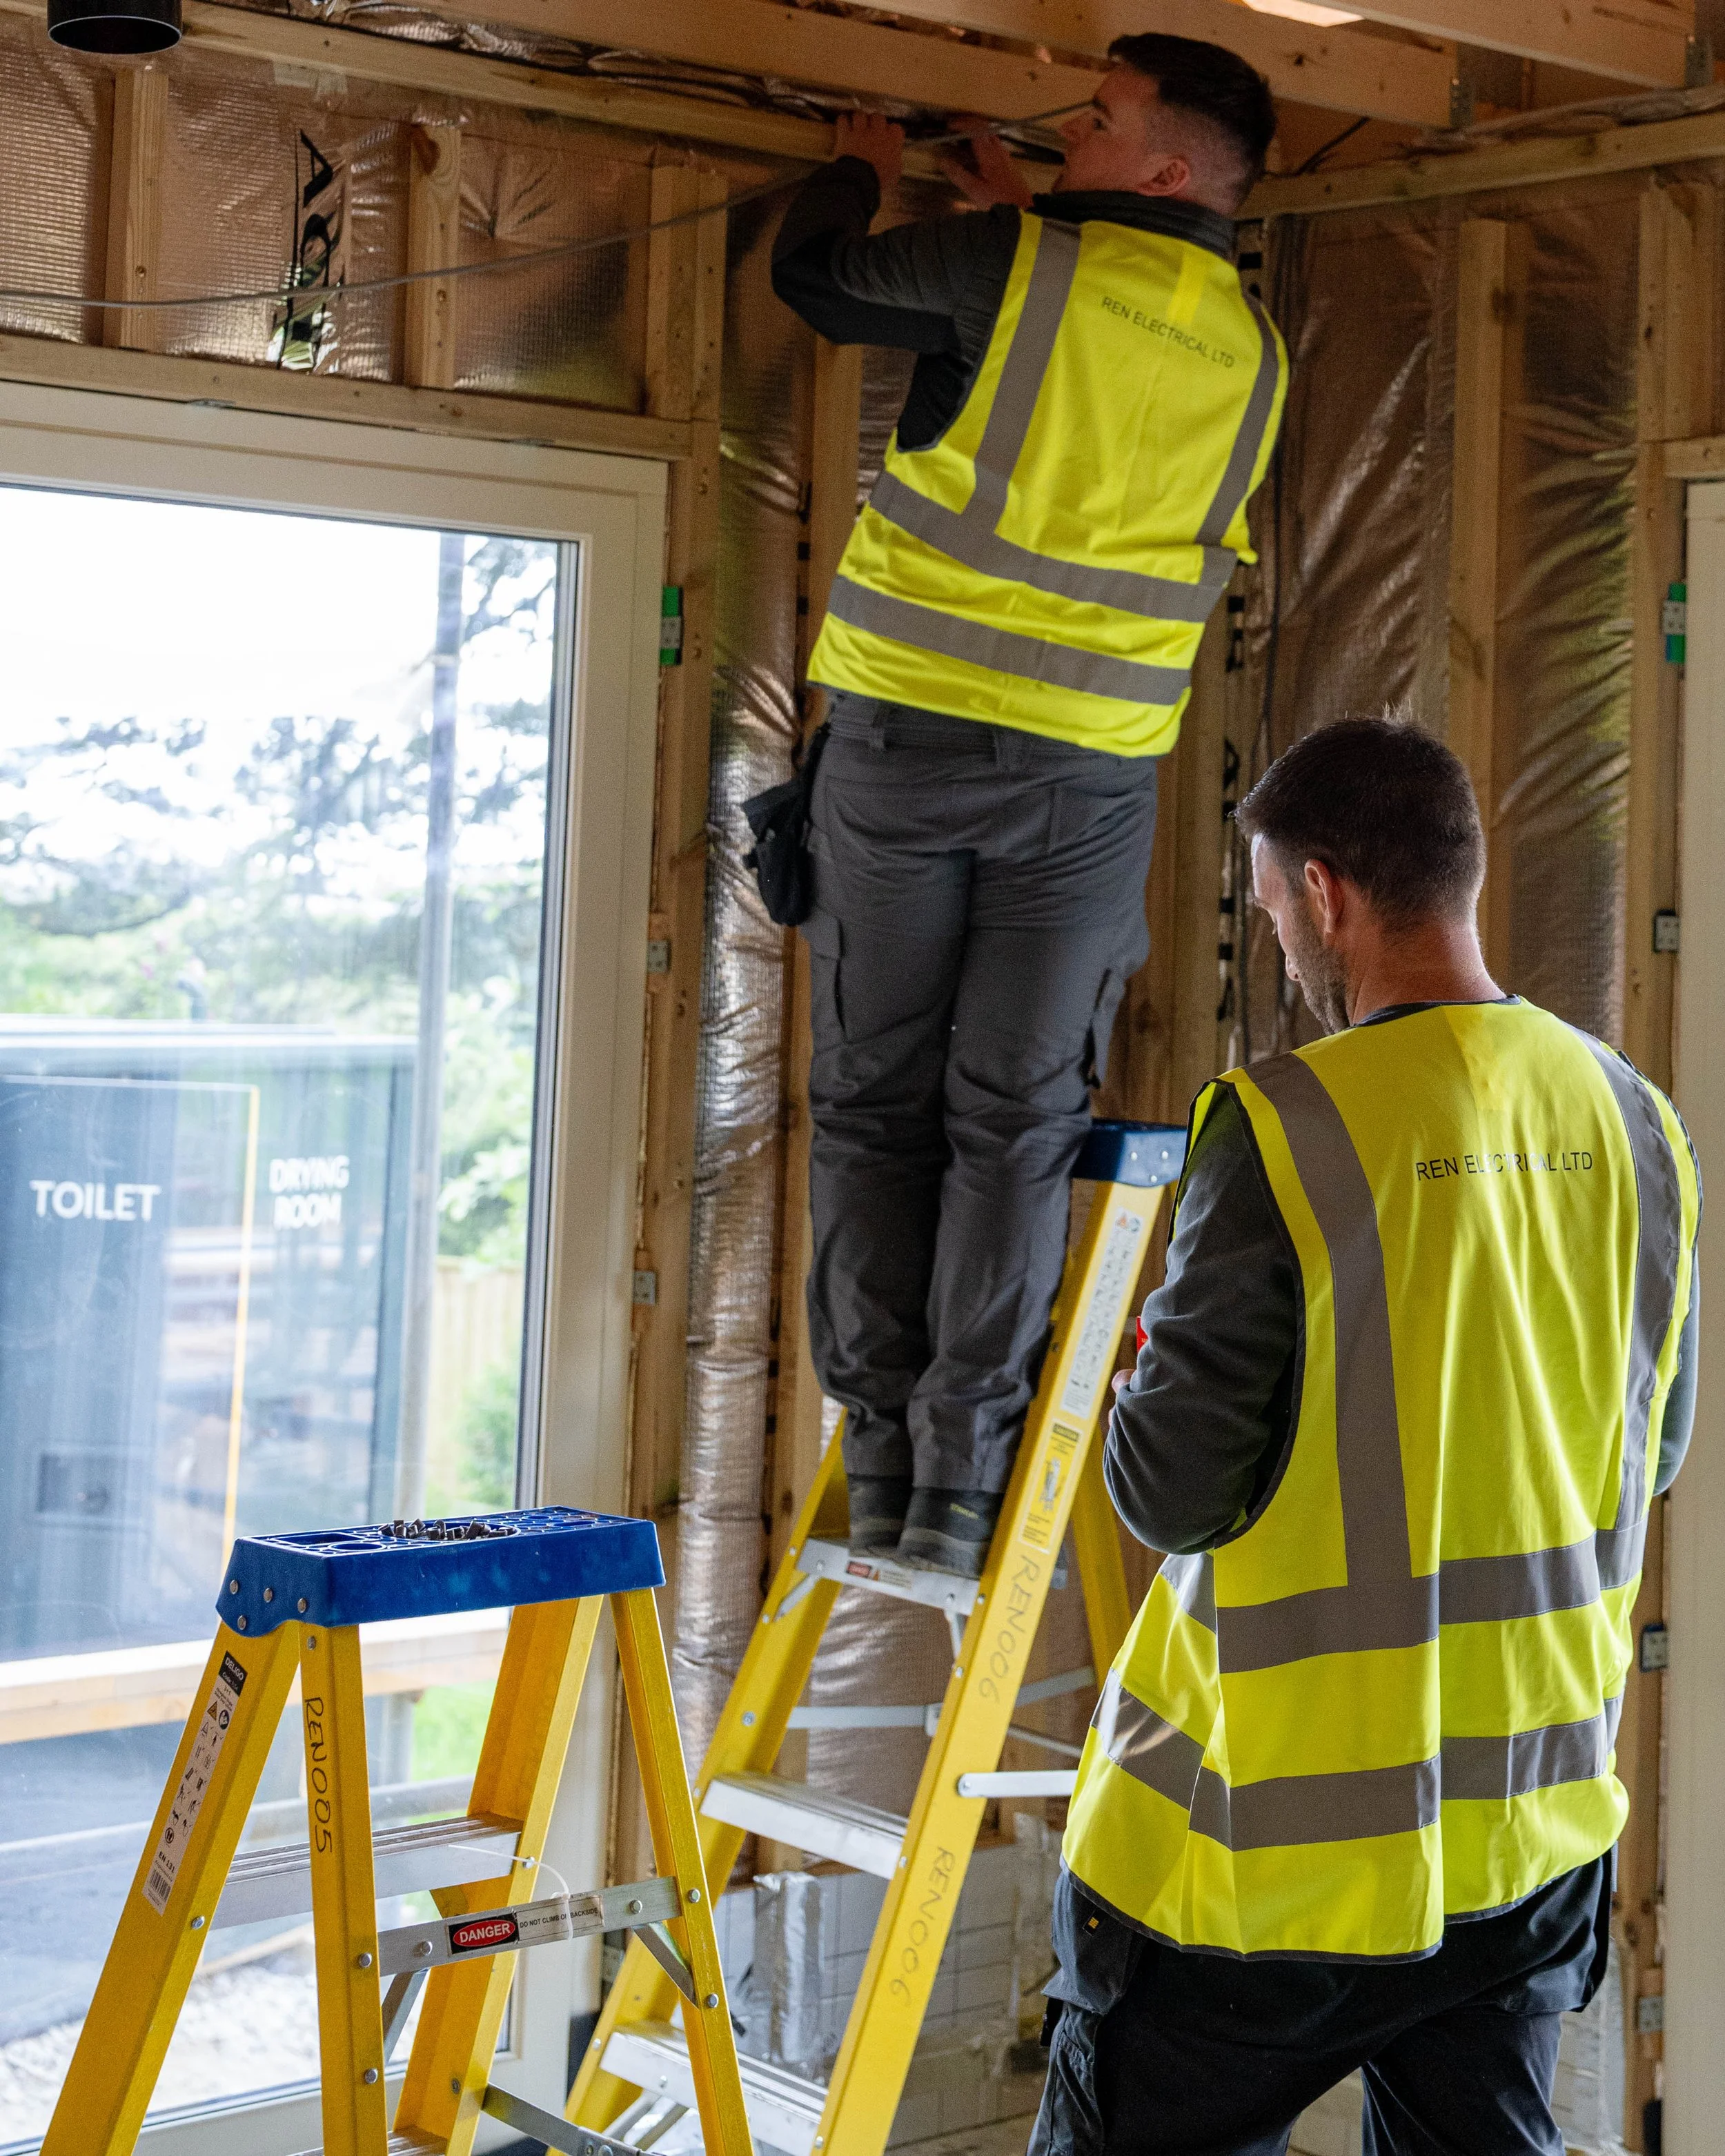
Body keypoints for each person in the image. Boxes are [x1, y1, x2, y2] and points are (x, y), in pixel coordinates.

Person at [1032, 716, 1702, 2156]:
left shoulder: (1282, 1127)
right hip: (1527, 1839)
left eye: (1271, 906)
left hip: (1255, 1871)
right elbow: (1647, 1451)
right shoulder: (1635, 1120)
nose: (1278, 941)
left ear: (1323, 891)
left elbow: (1172, 1488)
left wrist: (1138, 1363)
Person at [770, 34, 1288, 1575]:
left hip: (912, 746)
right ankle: (955, 1481)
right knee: (1014, 1122)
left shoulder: (1016, 263)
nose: (1070, 126)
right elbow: (1085, 368)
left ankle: (875, 1455)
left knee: (875, 1100)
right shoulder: (1248, 345)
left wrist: (857, 160)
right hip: (1086, 778)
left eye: (1100, 117)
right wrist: (1026, 218)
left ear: (1165, 165)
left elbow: (823, 284)